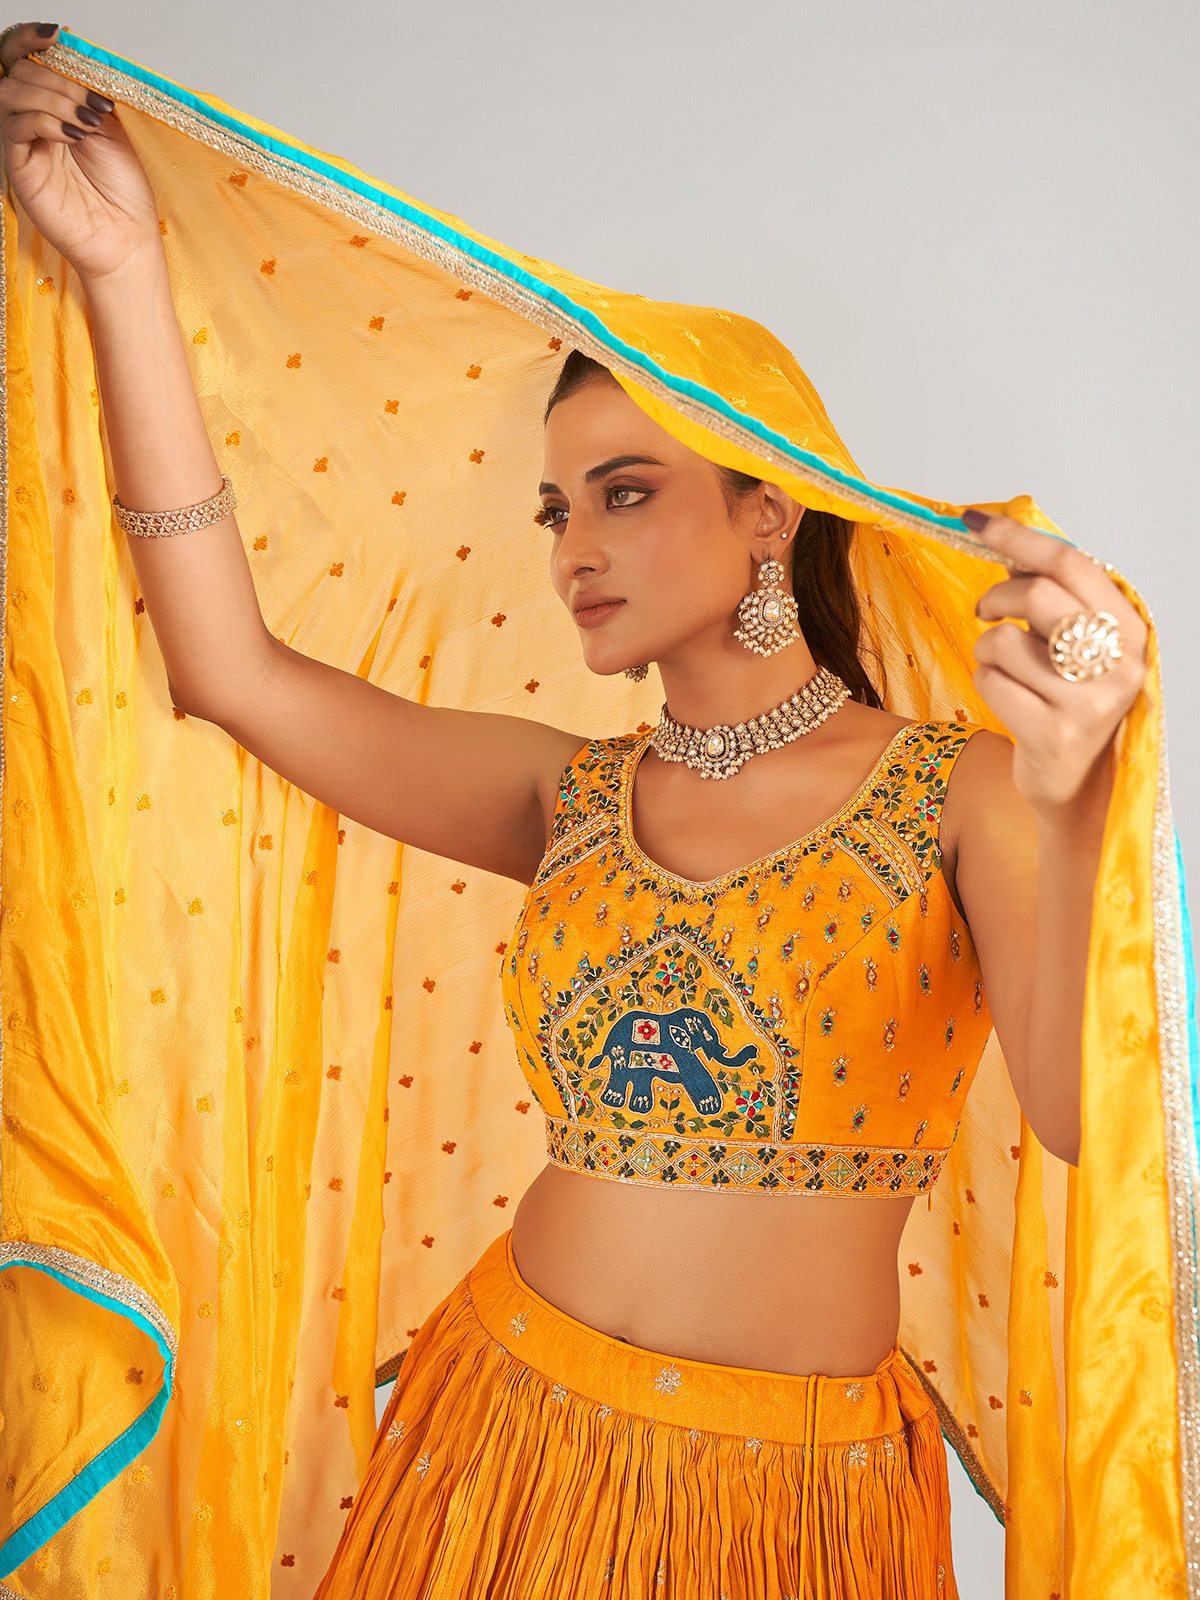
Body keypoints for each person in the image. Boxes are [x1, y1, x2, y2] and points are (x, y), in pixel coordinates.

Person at [0, 22, 1185, 1600]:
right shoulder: (566, 797)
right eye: (560, 509)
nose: (577, 548)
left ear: (767, 509)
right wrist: (125, 269)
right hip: (499, 1442)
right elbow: (233, 673)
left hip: (791, 1511)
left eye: (629, 492)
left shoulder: (960, 790)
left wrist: (1080, 792)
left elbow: (1078, 1110)